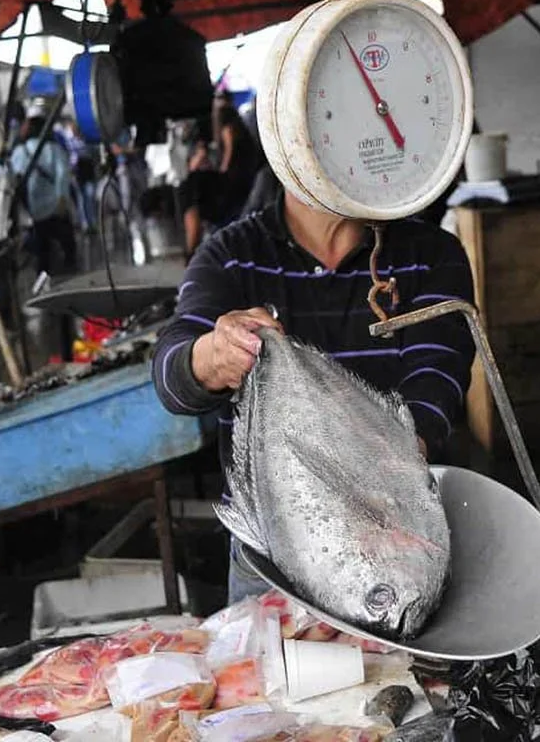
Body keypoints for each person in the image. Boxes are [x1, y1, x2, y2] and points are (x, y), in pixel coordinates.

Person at [152, 188, 477, 604]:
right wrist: (211, 356)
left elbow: (436, 381)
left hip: (396, 546)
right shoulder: (230, 255)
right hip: (271, 556)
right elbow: (170, 375)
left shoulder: (432, 252)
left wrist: (379, 494)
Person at [10, 112, 77, 360]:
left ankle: (45, 288)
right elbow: (63, 175)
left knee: (42, 252)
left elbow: (14, 180)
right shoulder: (53, 148)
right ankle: (67, 287)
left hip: (34, 211)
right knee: (65, 248)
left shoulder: (19, 152)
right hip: (55, 207)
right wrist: (61, 199)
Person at [177, 91, 261, 256]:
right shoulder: (223, 118)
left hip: (235, 175)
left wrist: (224, 167)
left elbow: (229, 140)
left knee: (192, 191)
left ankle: (192, 248)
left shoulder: (224, 114)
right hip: (242, 175)